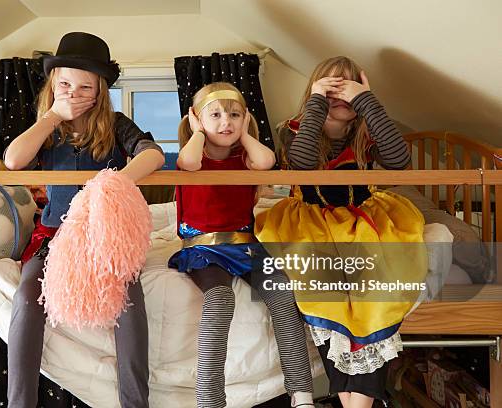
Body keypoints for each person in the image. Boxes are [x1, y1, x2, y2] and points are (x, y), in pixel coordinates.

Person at [4, 32, 164, 408]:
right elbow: (13, 160)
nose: (73, 93)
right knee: (28, 298)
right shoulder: (48, 128)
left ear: (99, 91)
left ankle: (135, 402)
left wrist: (111, 183)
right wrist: (52, 116)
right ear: (53, 85)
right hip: (54, 235)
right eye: (64, 84)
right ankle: (19, 402)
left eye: (84, 87)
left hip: (103, 235)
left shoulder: (117, 124)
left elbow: (153, 154)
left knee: (129, 301)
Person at [256, 56, 427, 407]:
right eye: (332, 88)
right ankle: (352, 400)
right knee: (321, 283)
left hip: (364, 218)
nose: (341, 95)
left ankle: (356, 401)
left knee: (373, 282)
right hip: (311, 218)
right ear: (315, 93)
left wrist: (366, 100)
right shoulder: (294, 128)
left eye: (348, 89)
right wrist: (318, 102)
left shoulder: (366, 131)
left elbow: (398, 162)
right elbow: (302, 166)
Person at [168, 82, 314, 408]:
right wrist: (197, 132)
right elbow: (189, 163)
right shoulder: (193, 156)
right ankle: (210, 401)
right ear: (196, 119)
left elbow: (266, 160)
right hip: (203, 247)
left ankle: (302, 393)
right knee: (220, 301)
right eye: (216, 115)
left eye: (234, 115)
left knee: (283, 296)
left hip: (246, 244)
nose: (226, 122)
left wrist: (246, 133)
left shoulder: (247, 158)